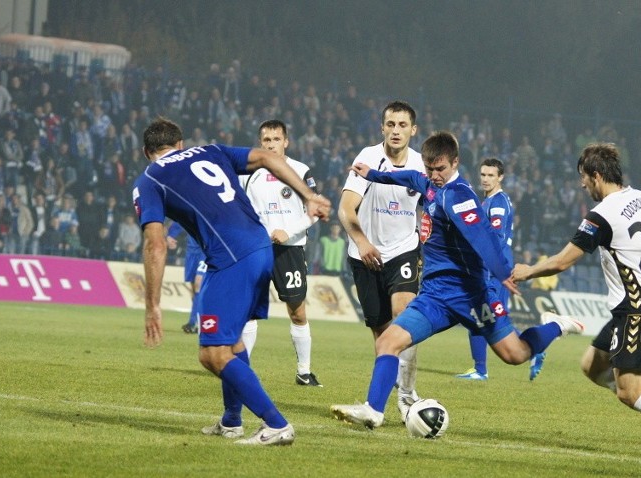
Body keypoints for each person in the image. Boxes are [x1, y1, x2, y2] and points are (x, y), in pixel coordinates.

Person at [330, 131, 583, 429]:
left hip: (473, 296)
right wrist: (372, 174)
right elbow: (410, 178)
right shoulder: (429, 183)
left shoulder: (459, 195)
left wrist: (503, 273)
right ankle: (373, 410)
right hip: (436, 296)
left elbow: (483, 237)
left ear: (456, 162)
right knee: (387, 341)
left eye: (441, 170)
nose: (435, 176)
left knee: (515, 355)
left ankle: (556, 325)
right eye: (430, 169)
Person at [511, 143, 641, 465]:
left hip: (638, 306)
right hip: (635, 305)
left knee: (630, 392)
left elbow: (563, 262)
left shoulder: (601, 215)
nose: (583, 185)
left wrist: (528, 272)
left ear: (596, 176)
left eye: (584, 178)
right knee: (592, 366)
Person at [134, 117, 330, 446]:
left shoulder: (150, 178)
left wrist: (152, 304)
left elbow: (154, 244)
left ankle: (277, 425)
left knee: (212, 354)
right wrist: (309, 195)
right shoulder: (209, 150)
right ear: (180, 144)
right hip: (258, 247)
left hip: (232, 259)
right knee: (233, 342)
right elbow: (268, 158)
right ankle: (231, 421)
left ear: (145, 152)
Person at [337, 101, 425, 421]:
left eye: (403, 125)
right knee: (383, 335)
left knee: (406, 317)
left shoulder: (421, 164)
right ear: (382, 128)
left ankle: (405, 395)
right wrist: (362, 242)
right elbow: (346, 208)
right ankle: (379, 405)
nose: (396, 130)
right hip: (364, 254)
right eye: (391, 124)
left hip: (403, 249)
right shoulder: (368, 157)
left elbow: (435, 203)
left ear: (413, 130)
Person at [240, 119, 321, 386]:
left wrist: (289, 231)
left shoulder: (299, 170)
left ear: (286, 142)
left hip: (290, 251)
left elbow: (315, 211)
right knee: (250, 310)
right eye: (266, 140)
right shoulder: (248, 173)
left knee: (297, 312)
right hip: (258, 250)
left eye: (276, 139)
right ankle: (243, 370)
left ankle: (304, 372)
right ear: (260, 143)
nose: (271, 144)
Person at [454, 157, 547, 381]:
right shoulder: (486, 202)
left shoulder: (498, 203)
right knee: (483, 316)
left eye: (491, 176)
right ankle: (481, 369)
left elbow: (495, 237)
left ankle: (533, 348)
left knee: (488, 317)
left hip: (493, 270)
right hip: (488, 268)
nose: (485, 179)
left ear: (500, 177)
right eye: (483, 175)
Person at [165, 221, 206, 334]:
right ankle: (199, 319)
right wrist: (171, 235)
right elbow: (180, 218)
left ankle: (193, 323)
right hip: (192, 251)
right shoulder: (192, 204)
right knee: (193, 289)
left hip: (206, 250)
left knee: (198, 284)